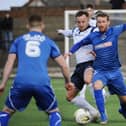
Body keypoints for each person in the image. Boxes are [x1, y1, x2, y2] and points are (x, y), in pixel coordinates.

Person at [0, 14, 72, 126]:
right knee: (53, 112)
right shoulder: (49, 42)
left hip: (21, 80)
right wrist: (67, 81)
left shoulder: (18, 41)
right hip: (41, 81)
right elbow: (64, 66)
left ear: (27, 25)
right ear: (42, 25)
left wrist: (3, 83)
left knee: (7, 111)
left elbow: (9, 63)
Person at [68, 12, 126, 124]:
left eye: (103, 21)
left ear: (108, 22)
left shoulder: (115, 31)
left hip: (115, 72)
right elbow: (80, 43)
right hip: (100, 71)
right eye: (99, 22)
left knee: (124, 101)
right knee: (97, 86)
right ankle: (103, 116)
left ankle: (122, 110)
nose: (101, 24)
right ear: (96, 23)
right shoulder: (93, 36)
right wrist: (70, 52)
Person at [57, 10, 99, 121]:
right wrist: (61, 31)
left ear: (88, 21)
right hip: (79, 67)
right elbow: (69, 32)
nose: (81, 24)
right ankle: (93, 111)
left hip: (91, 63)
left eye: (83, 22)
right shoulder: (75, 30)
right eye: (78, 22)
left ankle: (101, 94)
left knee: (88, 80)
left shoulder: (94, 30)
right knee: (69, 96)